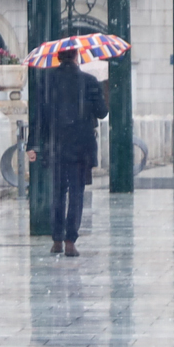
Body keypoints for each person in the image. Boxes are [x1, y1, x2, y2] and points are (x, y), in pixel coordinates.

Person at [25, 49, 108, 257]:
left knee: (58, 193)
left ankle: (56, 240)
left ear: (58, 57)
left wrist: (32, 145)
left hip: (55, 146)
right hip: (81, 146)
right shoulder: (89, 81)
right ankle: (71, 240)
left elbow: (38, 116)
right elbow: (102, 112)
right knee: (77, 193)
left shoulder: (46, 81)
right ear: (77, 57)